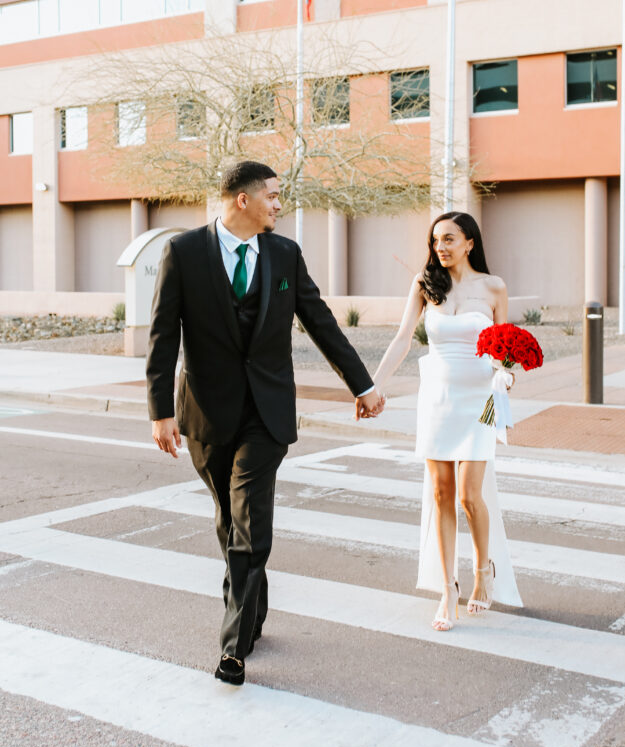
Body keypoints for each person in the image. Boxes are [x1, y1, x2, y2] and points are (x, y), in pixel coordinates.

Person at [146, 160, 384, 685]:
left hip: (267, 414)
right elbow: (163, 336)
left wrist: (361, 385)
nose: (280, 205)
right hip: (206, 414)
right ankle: (251, 616)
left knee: (250, 520)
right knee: (230, 523)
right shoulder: (183, 253)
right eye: (273, 196)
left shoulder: (284, 254)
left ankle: (233, 647)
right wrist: (160, 410)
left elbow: (319, 320)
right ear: (243, 200)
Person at [372, 211, 522, 629]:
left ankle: (482, 572)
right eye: (436, 239)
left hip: (479, 400)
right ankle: (448, 588)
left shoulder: (493, 287)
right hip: (437, 398)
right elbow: (403, 338)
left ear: (470, 243)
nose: (441, 246)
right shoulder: (425, 284)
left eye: (450, 239)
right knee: (441, 494)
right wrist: (374, 386)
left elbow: (504, 344)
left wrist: (506, 371)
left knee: (470, 497)